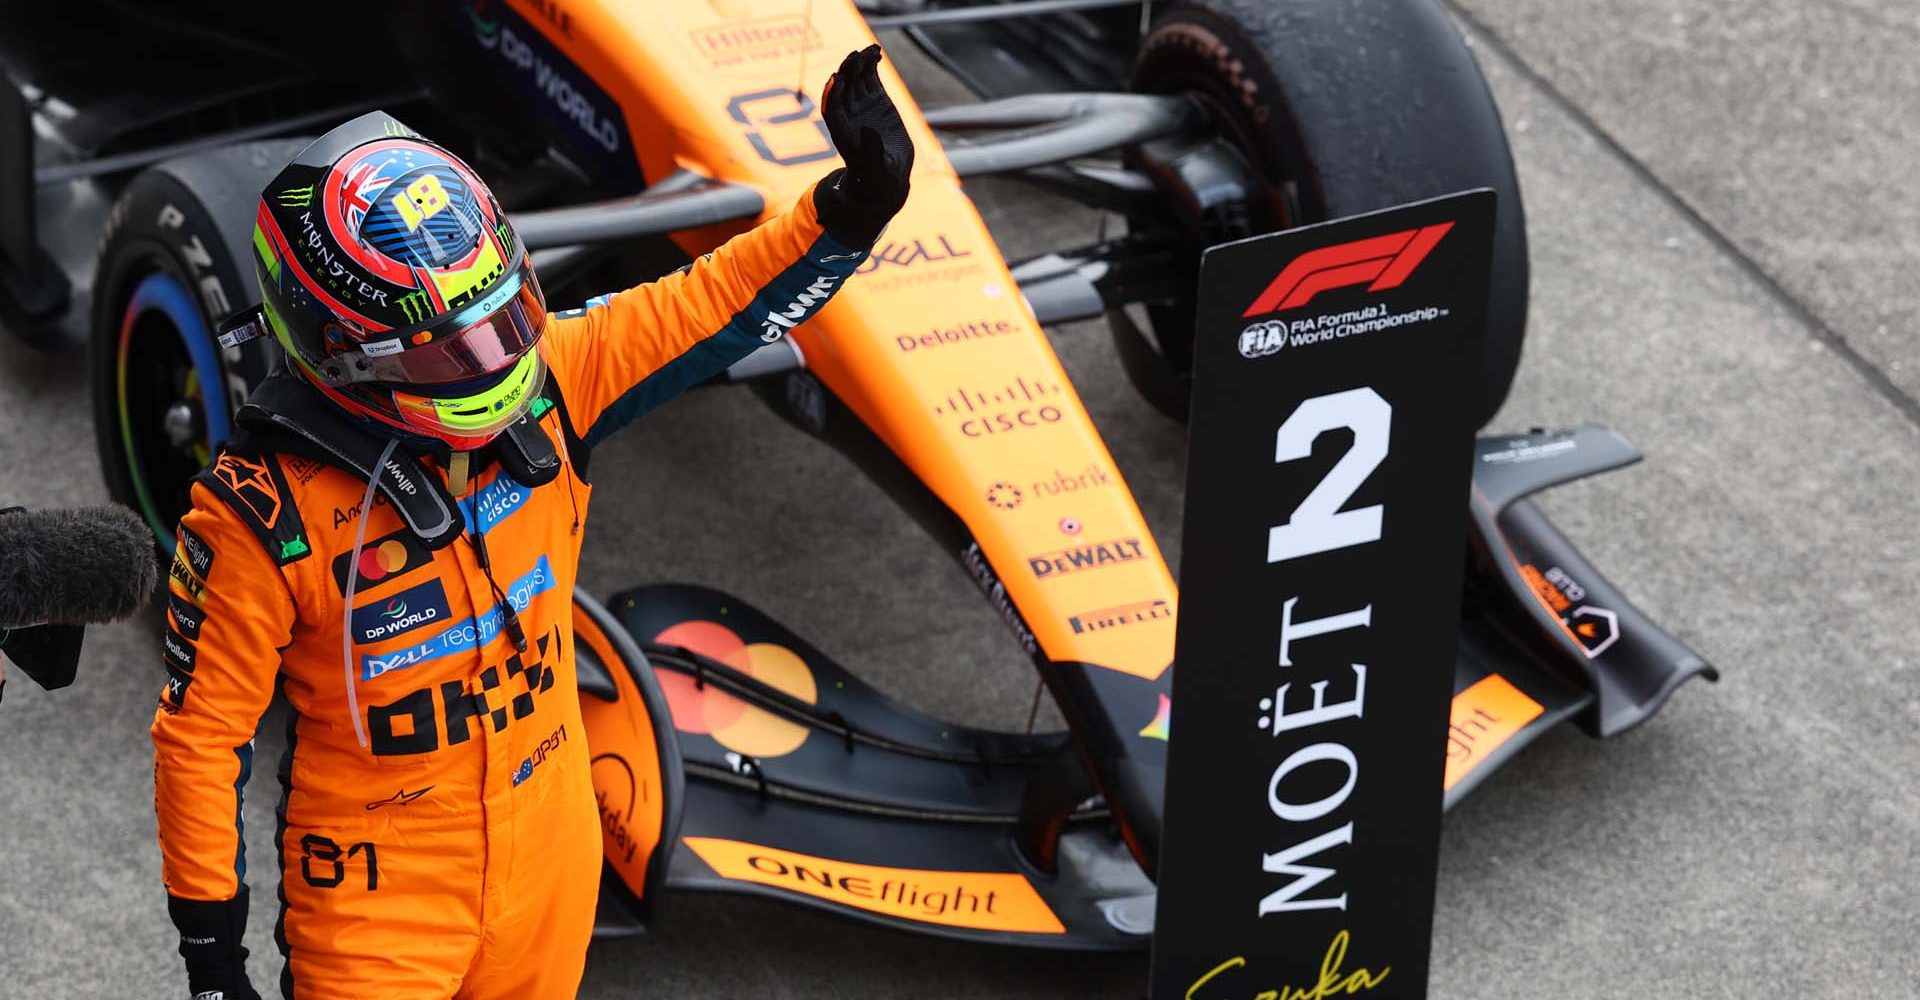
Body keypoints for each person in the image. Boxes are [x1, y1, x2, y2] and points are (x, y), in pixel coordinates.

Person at [151, 46, 912, 1000]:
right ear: (337, 346)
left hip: (554, 850)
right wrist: (214, 965)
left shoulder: (559, 375)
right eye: (443, 352)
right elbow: (198, 743)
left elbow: (714, 302)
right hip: (381, 899)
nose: (489, 369)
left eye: (498, 327)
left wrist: (847, 208)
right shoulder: (256, 514)